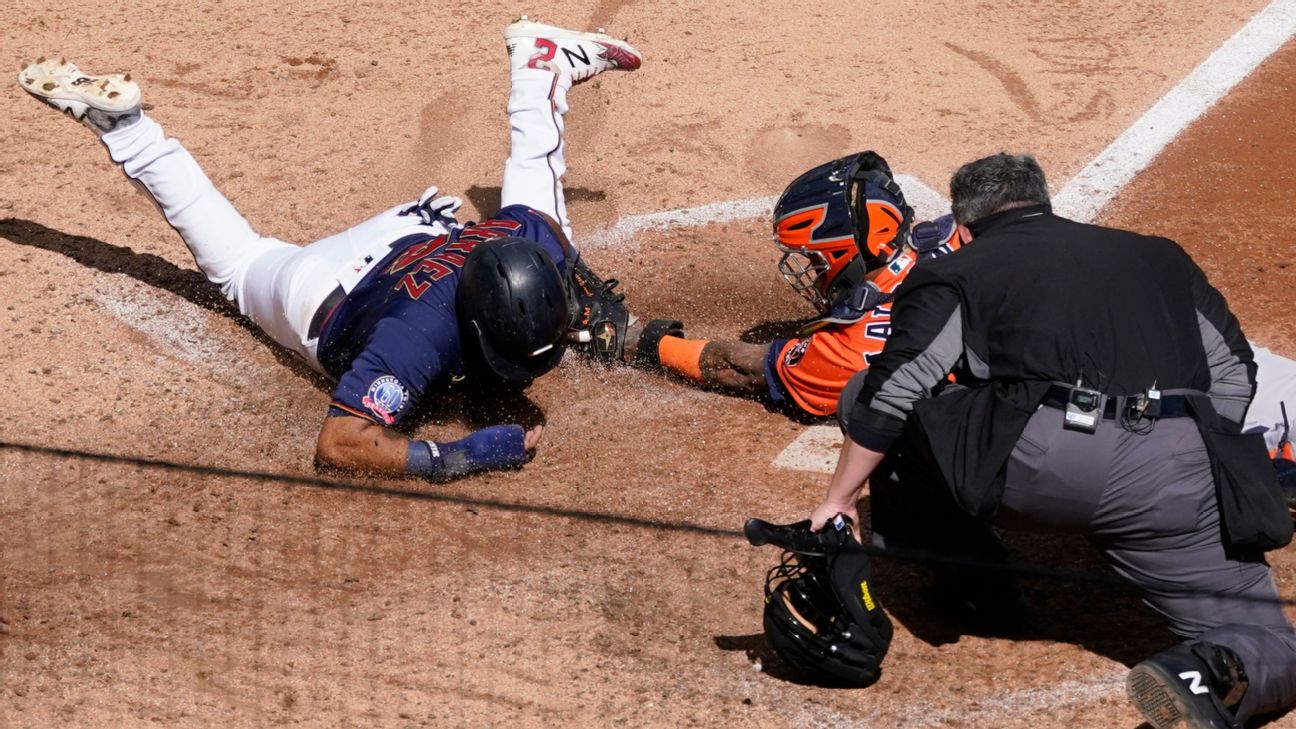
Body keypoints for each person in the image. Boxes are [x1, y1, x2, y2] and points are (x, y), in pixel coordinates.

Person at [18, 18, 644, 483]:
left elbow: (545, 223)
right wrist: (461, 454)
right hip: (319, 290)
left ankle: (540, 60)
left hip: (408, 235)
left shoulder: (529, 239)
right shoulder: (413, 341)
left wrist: (583, 288)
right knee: (238, 265)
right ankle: (129, 131)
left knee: (535, 189)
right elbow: (341, 441)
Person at [805, 153, 1296, 727]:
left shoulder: (957, 268)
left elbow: (896, 387)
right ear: (1045, 203)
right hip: (1173, 475)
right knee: (1269, 638)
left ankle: (977, 590)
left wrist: (838, 500)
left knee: (872, 390)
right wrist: (1198, 461)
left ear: (963, 229)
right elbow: (1234, 372)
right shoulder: (1160, 255)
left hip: (1043, 467)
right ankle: (1213, 671)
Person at [627, 151, 962, 417]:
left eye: (819, 261)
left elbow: (739, 367)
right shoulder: (961, 235)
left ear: (850, 252)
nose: (815, 274)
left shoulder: (847, 350)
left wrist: (649, 343)